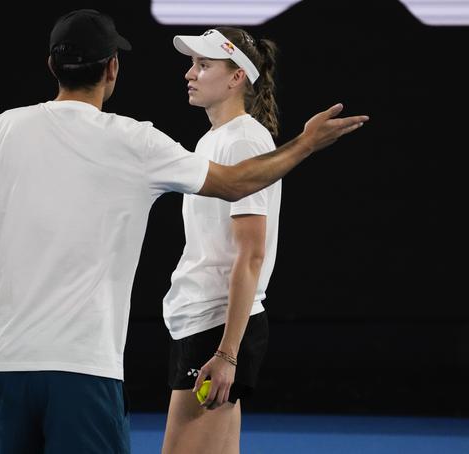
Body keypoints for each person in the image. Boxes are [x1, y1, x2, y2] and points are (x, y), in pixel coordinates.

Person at [0, 8, 368, 454]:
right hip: (86, 369)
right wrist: (305, 144)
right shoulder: (139, 140)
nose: (190, 73)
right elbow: (238, 183)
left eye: (203, 64)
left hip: (3, 364)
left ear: (52, 66)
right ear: (112, 69)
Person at [160, 27, 291, 454]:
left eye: (203, 65)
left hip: (218, 329)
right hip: (204, 322)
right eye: (192, 64)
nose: (189, 73)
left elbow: (251, 255)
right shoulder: (212, 141)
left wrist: (227, 353)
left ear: (237, 78)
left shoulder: (245, 142)